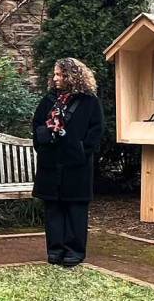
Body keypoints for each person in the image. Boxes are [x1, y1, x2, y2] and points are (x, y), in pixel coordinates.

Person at [31, 57, 105, 267]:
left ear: (72, 76)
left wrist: (80, 150)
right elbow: (36, 125)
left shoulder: (89, 101)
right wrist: (44, 139)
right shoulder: (48, 100)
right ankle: (55, 250)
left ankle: (74, 251)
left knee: (75, 209)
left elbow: (96, 131)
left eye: (60, 74)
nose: (55, 78)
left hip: (76, 165)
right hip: (51, 164)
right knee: (53, 208)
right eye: (55, 74)